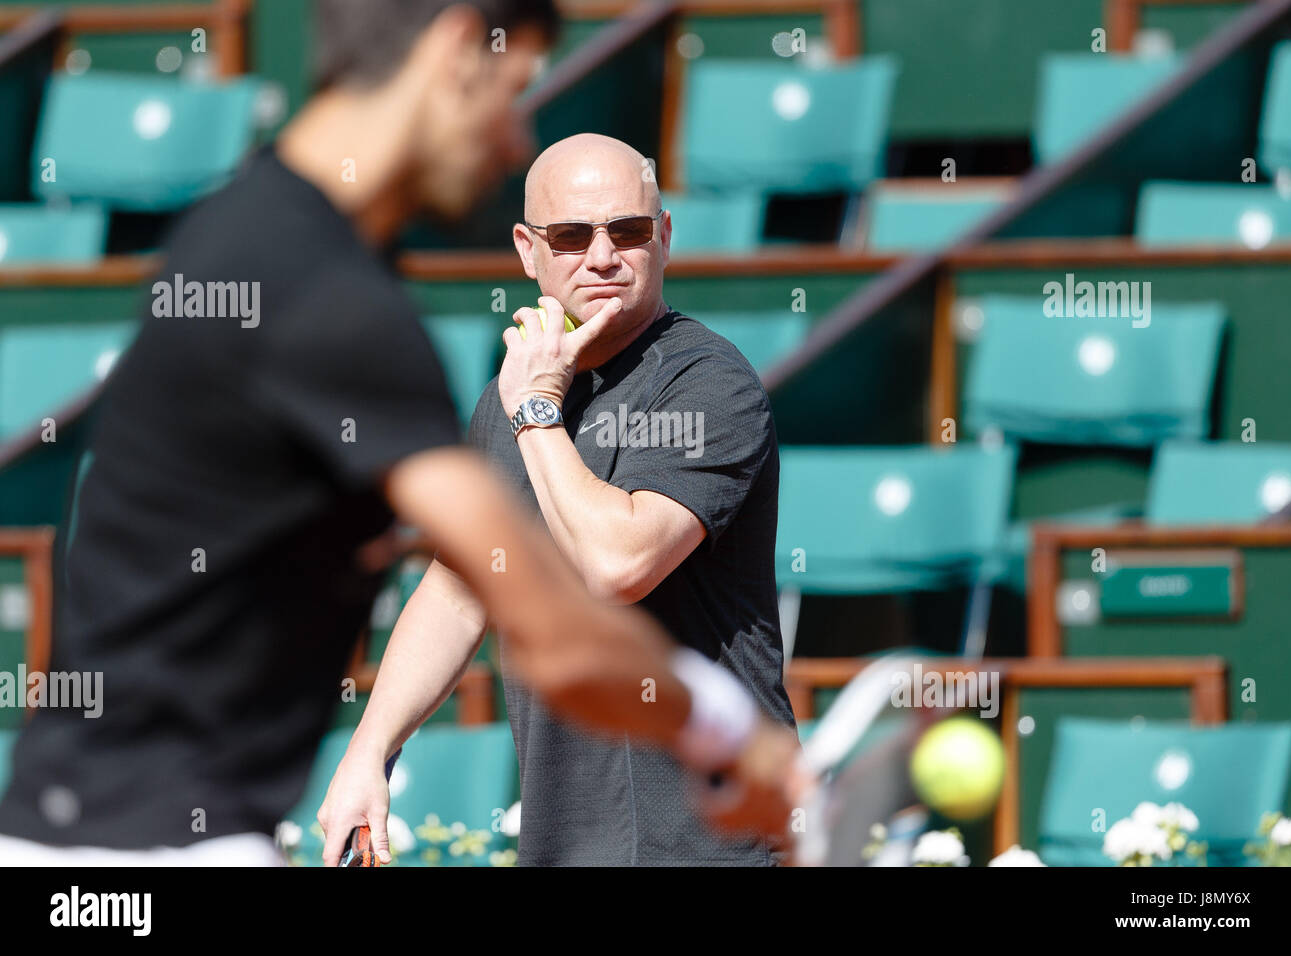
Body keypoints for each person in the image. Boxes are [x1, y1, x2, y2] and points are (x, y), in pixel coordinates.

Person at [0, 0, 799, 865]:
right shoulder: (336, 304)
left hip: (88, 835)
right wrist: (731, 738)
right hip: (152, 850)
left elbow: (479, 574)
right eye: (513, 91)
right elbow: (555, 622)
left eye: (626, 229)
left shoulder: (243, 237)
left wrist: (369, 749)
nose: (509, 140)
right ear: (458, 50)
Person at [317, 133, 799, 866]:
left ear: (664, 236)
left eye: (628, 231)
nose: (601, 256)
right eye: (572, 236)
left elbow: (618, 565)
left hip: (709, 844)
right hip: (566, 841)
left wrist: (537, 412)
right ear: (527, 249)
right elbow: (457, 590)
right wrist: (370, 751)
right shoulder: (513, 396)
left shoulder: (709, 383)